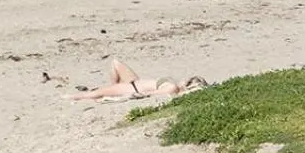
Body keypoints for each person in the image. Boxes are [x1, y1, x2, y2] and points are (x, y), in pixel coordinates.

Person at [69, 59, 207, 101]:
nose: (184, 78)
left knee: (90, 95)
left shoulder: (172, 88)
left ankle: (68, 97)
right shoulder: (173, 85)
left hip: (132, 87)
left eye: (187, 80)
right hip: (134, 81)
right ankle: (113, 87)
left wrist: (124, 96)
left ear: (187, 85)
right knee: (115, 63)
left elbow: (149, 94)